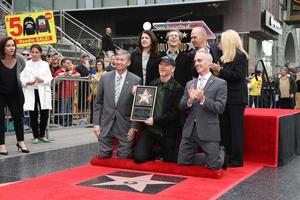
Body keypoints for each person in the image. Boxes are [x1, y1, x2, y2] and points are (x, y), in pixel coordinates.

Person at [177, 50, 227, 170]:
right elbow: (181, 106)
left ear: (209, 63)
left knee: (214, 166)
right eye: (195, 61)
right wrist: (189, 100)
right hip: (190, 130)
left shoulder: (220, 83)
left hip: (208, 129)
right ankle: (206, 156)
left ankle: (220, 153)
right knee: (182, 163)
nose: (196, 64)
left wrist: (203, 99)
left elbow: (220, 108)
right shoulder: (190, 83)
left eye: (199, 60)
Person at [134, 56, 184, 163]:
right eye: (161, 64)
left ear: (173, 69)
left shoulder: (178, 88)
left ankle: (162, 151)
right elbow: (145, 103)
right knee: (138, 158)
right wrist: (137, 94)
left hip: (167, 131)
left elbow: (174, 113)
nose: (163, 67)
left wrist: (155, 120)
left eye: (166, 65)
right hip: (150, 130)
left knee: (170, 161)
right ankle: (156, 152)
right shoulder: (152, 84)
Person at [210, 29, 248, 167]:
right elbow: (223, 77)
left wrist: (220, 71)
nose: (220, 43)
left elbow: (237, 76)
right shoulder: (223, 58)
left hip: (237, 98)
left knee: (236, 129)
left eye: (222, 40)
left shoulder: (241, 56)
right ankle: (226, 156)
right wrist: (217, 71)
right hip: (224, 98)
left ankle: (237, 159)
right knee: (224, 128)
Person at [93, 50, 141, 159]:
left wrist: (134, 128)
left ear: (128, 63)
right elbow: (98, 103)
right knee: (103, 156)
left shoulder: (136, 80)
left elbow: (136, 107)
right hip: (106, 123)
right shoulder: (105, 78)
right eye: (117, 59)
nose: (118, 62)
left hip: (125, 125)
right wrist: (96, 124)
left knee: (124, 157)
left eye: (122, 60)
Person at [0, 37, 29, 155]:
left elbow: (21, 69)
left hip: (14, 92)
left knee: (18, 117)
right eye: (8, 45)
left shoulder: (20, 59)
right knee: (0, 118)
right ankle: (1, 144)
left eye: (13, 45)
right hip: (0, 92)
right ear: (3, 47)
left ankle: (20, 141)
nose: (12, 48)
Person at [20, 44, 53, 144]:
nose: (34, 54)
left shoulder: (45, 64)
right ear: (30, 53)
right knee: (33, 114)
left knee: (44, 113)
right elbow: (22, 77)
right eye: (32, 52)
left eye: (36, 52)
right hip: (31, 90)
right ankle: (35, 136)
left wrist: (42, 79)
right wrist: (27, 82)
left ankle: (42, 135)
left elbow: (49, 77)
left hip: (42, 90)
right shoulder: (26, 64)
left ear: (40, 53)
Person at [53, 58, 80, 127]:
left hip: (70, 94)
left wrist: (69, 75)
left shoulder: (71, 71)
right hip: (62, 94)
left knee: (70, 109)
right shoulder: (59, 71)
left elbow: (78, 74)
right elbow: (55, 80)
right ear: (63, 64)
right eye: (68, 63)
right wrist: (64, 75)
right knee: (63, 109)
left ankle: (69, 122)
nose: (70, 64)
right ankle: (62, 123)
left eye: (70, 63)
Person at [89, 59, 106, 125]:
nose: (98, 66)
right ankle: (92, 122)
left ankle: (100, 122)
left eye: (100, 64)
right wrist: (91, 81)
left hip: (102, 94)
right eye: (97, 64)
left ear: (103, 65)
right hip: (94, 93)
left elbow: (101, 82)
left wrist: (95, 79)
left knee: (100, 108)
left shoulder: (105, 73)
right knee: (93, 108)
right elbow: (92, 85)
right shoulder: (95, 73)